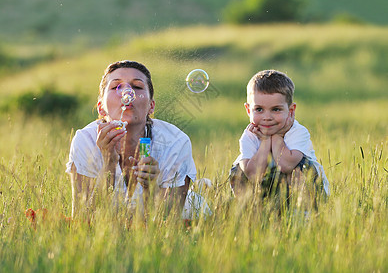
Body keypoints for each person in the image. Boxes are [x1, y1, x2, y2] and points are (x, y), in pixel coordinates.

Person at [66, 60, 208, 219]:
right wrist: (108, 162)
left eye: (137, 87)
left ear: (151, 106)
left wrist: (152, 188)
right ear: (101, 107)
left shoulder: (175, 142)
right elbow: (82, 219)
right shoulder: (85, 141)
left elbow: (170, 224)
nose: (127, 92)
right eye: (115, 87)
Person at [229, 70, 329, 207]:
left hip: (305, 195)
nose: (267, 117)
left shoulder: (298, 132)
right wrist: (265, 141)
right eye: (259, 109)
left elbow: (286, 165)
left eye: (276, 109)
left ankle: (304, 213)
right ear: (248, 110)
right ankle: (253, 211)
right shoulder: (250, 135)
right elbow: (253, 174)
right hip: (268, 193)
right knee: (239, 170)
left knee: (301, 168)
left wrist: (277, 136)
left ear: (291, 110)